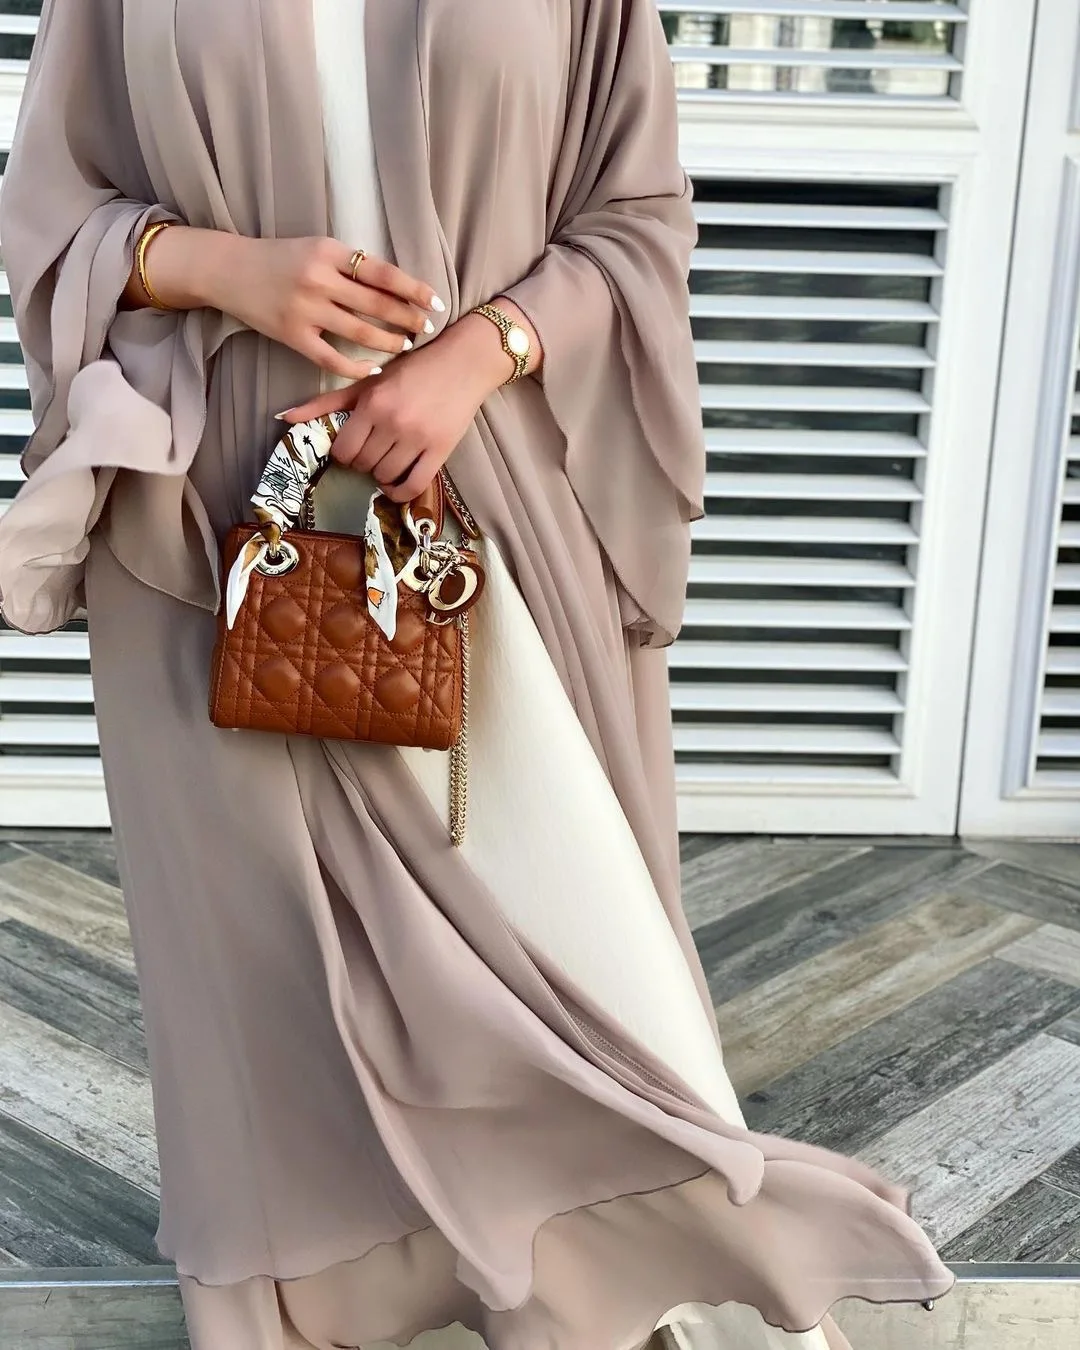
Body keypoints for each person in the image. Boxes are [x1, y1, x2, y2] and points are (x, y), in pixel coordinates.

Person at [0, 3, 954, 1348]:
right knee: (269, 980)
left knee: (584, 942)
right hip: (225, 522)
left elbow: (636, 217)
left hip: (493, 503)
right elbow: (52, 211)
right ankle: (302, 1308)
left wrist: (479, 352)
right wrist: (225, 269)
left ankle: (626, 1299)